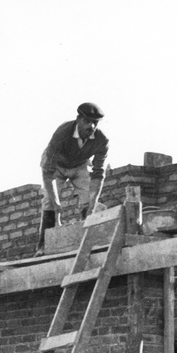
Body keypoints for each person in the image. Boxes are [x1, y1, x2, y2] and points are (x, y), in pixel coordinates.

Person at [35, 102, 109, 256]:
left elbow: (98, 173)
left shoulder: (102, 140)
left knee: (88, 200)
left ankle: (86, 242)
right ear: (78, 119)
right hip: (57, 166)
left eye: (95, 122)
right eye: (87, 121)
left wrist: (93, 202)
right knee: (49, 200)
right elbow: (48, 171)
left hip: (80, 164)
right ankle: (43, 247)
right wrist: (56, 203)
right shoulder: (63, 133)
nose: (92, 126)